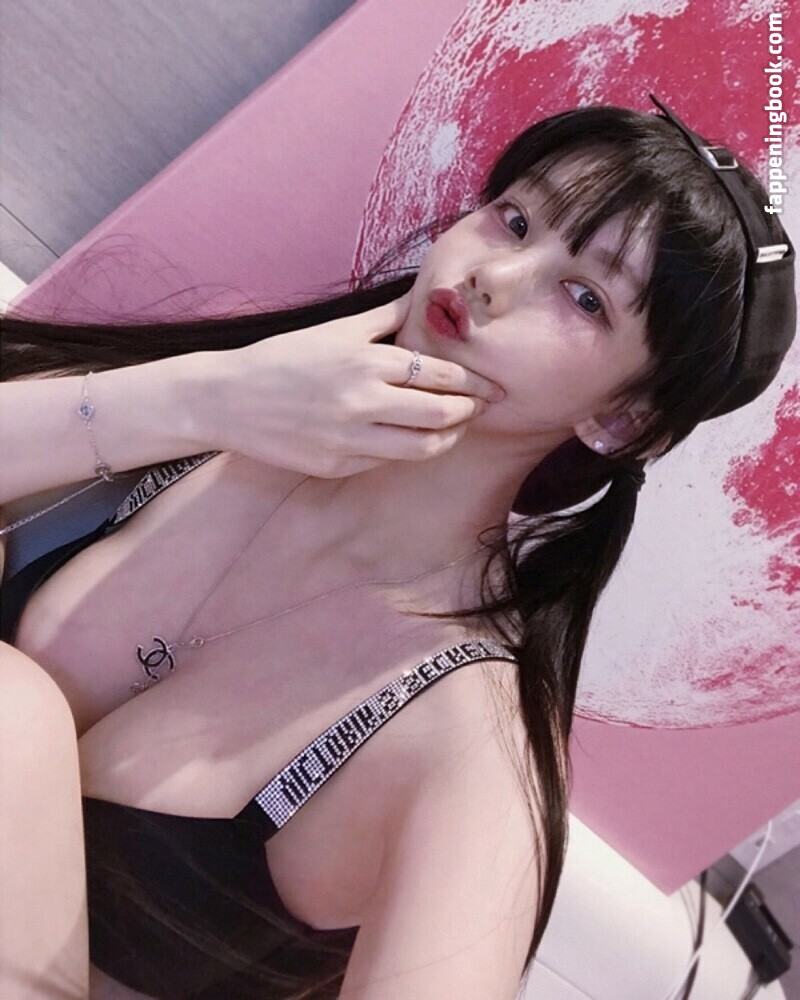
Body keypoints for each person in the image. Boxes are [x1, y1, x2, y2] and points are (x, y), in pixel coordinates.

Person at [0, 97, 795, 1000]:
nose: (495, 275)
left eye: (585, 297)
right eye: (516, 219)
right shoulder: (233, 404)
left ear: (623, 420)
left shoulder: (470, 752)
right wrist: (202, 400)